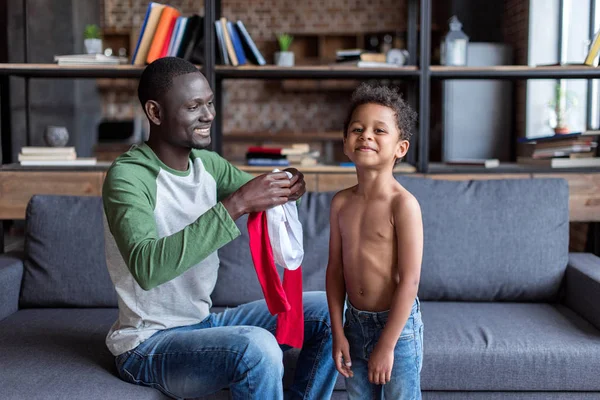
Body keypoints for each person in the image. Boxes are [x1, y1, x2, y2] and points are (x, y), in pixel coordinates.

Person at [102, 57, 337, 400]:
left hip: (203, 324)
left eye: (209, 102)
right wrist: (237, 203)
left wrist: (288, 188)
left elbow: (267, 200)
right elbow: (147, 267)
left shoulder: (208, 165)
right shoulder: (129, 176)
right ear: (155, 113)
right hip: (148, 343)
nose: (209, 115)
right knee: (257, 347)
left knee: (332, 312)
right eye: (194, 106)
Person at [326, 83, 424, 399]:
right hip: (354, 323)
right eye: (357, 129)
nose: (366, 135)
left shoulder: (403, 204)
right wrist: (338, 333)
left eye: (379, 130)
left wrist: (387, 344)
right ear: (345, 142)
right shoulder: (340, 203)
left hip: (397, 328)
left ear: (401, 148)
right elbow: (335, 272)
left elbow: (410, 281)